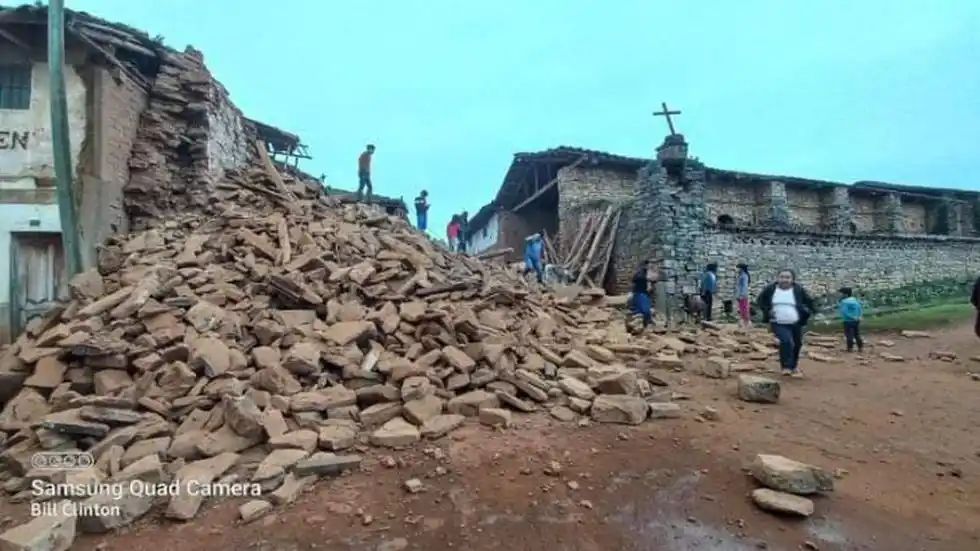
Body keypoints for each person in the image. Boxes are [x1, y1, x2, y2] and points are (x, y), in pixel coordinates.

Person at [755, 269, 815, 377]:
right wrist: (768, 311)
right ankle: (786, 367)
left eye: (787, 277)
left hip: (796, 322)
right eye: (782, 277)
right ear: (778, 278)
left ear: (792, 279)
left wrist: (808, 312)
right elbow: (760, 300)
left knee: (797, 344)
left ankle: (794, 366)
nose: (784, 280)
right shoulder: (771, 289)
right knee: (787, 341)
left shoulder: (798, 289)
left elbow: (809, 302)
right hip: (778, 322)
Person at [838, 287, 864, 353]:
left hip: (848, 321)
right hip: (856, 320)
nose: (840, 295)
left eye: (841, 294)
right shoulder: (855, 300)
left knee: (849, 335)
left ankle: (850, 348)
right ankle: (860, 348)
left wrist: (852, 317)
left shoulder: (844, 302)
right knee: (857, 334)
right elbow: (859, 309)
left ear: (846, 294)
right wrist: (859, 316)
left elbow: (845, 312)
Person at [630, 261, 654, 329]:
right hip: (639, 293)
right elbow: (635, 279)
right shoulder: (640, 272)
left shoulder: (648, 273)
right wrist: (647, 279)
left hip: (645, 294)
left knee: (645, 311)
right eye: (649, 266)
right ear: (645, 265)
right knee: (644, 311)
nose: (650, 267)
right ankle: (642, 326)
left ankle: (644, 326)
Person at [735, 263, 751, 328]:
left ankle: (747, 323)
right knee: (742, 309)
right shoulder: (741, 275)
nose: (736, 269)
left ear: (741, 268)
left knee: (744, 309)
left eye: (737, 268)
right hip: (740, 295)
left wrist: (742, 295)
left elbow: (744, 286)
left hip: (743, 295)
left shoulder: (744, 276)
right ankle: (743, 323)